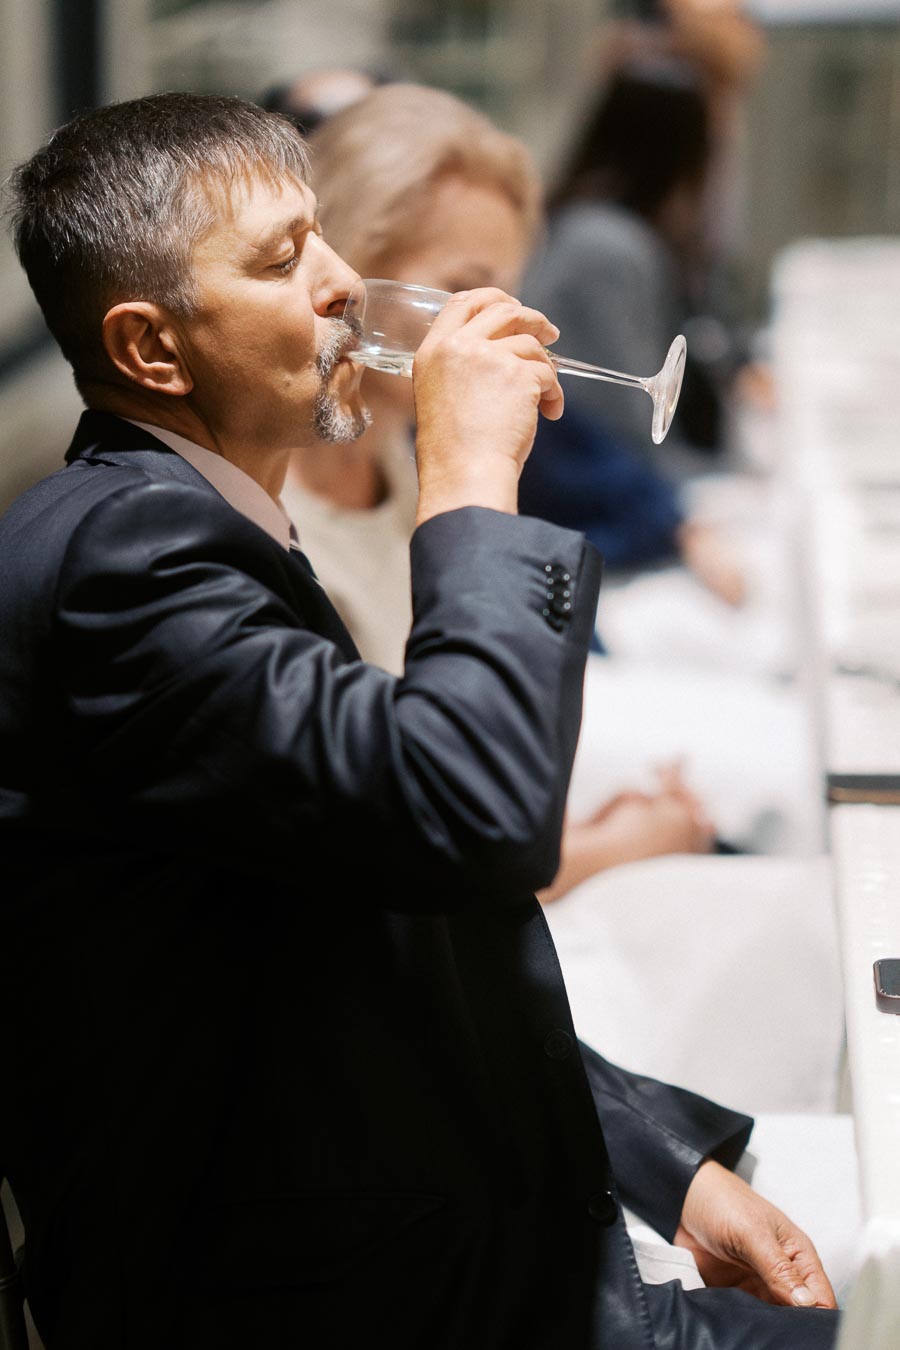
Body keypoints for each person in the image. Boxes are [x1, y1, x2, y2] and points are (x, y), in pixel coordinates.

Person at [0, 93, 839, 1348]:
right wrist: (467, 483)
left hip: (398, 1216)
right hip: (315, 1291)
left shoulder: (203, 530)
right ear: (153, 350)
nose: (345, 285)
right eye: (286, 262)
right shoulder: (131, 552)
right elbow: (474, 821)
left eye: (324, 238)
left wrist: (667, 1165)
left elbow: (394, 926)